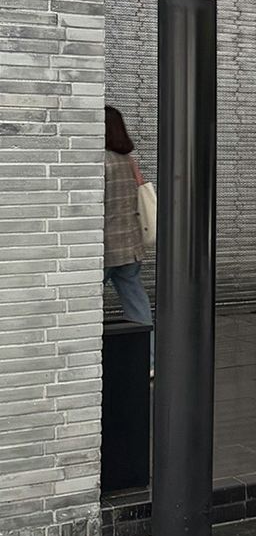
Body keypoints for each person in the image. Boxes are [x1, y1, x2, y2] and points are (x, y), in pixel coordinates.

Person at [104, 105, 154, 366]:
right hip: (131, 247)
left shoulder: (100, 162)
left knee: (81, 303)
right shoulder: (128, 161)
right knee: (136, 304)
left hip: (105, 249)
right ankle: (149, 359)